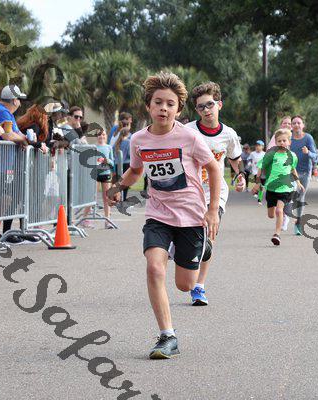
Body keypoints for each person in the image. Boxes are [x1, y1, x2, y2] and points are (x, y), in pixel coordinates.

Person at [107, 71, 221, 359]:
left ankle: (204, 249)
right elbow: (136, 170)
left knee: (185, 284)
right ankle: (167, 336)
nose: (164, 108)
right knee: (155, 268)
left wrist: (212, 211)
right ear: (148, 105)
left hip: (191, 217)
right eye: (158, 102)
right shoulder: (138, 140)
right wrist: (118, 186)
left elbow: (214, 168)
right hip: (158, 215)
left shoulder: (189, 137)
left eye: (170, 104)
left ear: (178, 110)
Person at [185, 81, 245, 306]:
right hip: (189, 193)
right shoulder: (188, 131)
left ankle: (199, 286)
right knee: (190, 238)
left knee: (209, 237)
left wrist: (241, 176)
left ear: (219, 104)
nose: (206, 110)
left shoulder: (228, 134)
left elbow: (235, 159)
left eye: (210, 104)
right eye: (201, 107)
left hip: (215, 193)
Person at [0, 84, 31, 244]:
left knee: (4, 199)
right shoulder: (2, 112)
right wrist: (24, 139)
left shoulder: (7, 113)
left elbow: (16, 133)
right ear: (14, 100)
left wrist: (23, 138)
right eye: (18, 99)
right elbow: (8, 135)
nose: (19, 102)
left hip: (4, 166)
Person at [251, 129, 303, 246]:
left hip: (285, 189)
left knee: (279, 211)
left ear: (289, 142)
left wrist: (298, 182)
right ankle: (280, 215)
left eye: (284, 140)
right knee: (271, 215)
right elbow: (261, 167)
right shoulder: (271, 154)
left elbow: (293, 169)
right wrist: (258, 183)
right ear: (276, 142)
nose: (282, 143)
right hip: (271, 188)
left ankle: (277, 234)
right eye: (279, 141)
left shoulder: (292, 156)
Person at [285, 115, 316, 235]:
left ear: (303, 125)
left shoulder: (308, 138)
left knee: (300, 197)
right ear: (291, 126)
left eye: (299, 123)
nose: (296, 125)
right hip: (290, 172)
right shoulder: (288, 138)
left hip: (304, 172)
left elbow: (315, 155)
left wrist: (308, 153)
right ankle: (286, 216)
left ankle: (298, 222)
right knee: (289, 196)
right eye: (294, 123)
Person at [94, 128, 115, 229]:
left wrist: (107, 161)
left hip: (106, 174)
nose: (101, 136)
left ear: (106, 136)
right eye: (99, 135)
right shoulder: (93, 147)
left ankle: (107, 220)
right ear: (96, 136)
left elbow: (112, 162)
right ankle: (85, 219)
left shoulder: (109, 147)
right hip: (95, 174)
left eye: (103, 135)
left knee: (107, 198)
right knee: (92, 197)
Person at [248, 140, 266, 204]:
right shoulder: (252, 153)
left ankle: (258, 197)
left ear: (262, 147)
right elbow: (249, 159)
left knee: (261, 186)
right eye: (256, 145)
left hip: (263, 172)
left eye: (259, 145)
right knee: (258, 184)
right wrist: (249, 163)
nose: (257, 147)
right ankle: (257, 195)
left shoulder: (264, 154)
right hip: (255, 172)